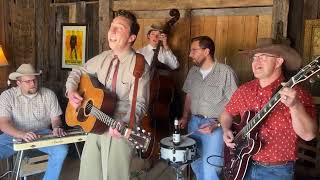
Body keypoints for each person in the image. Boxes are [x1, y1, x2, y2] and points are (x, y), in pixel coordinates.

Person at [65, 10, 150, 180]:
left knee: (113, 176)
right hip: (95, 122)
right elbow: (78, 70)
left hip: (118, 126)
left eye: (119, 28)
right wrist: (71, 90)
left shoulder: (139, 65)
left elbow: (140, 104)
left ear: (131, 37)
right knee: (88, 174)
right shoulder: (104, 57)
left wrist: (125, 123)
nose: (112, 32)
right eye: (112, 27)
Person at [220, 38, 318, 180]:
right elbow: (226, 114)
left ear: (278, 61)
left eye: (263, 57)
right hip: (242, 163)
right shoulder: (244, 90)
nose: (256, 62)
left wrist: (295, 106)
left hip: (277, 171)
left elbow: (309, 134)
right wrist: (225, 130)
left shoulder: (298, 95)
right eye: (254, 58)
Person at [178, 36, 238, 180]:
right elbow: (189, 96)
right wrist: (185, 117)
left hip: (215, 126)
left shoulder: (225, 72)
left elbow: (235, 104)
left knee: (212, 167)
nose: (190, 54)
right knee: (196, 164)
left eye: (194, 50)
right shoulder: (193, 72)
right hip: (193, 124)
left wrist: (217, 124)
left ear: (206, 51)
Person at [0, 63, 68, 180]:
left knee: (61, 150)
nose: (33, 84)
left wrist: (56, 127)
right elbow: (3, 124)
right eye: (28, 81)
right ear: (18, 83)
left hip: (42, 133)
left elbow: (56, 119)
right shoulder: (7, 96)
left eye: (34, 80)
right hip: (14, 134)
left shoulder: (48, 94)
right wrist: (22, 134)